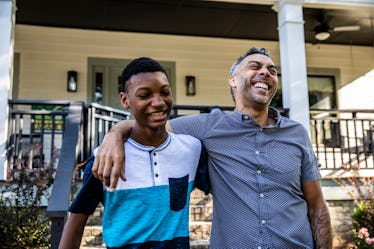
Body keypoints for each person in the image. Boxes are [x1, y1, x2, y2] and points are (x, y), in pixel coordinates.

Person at [92, 47, 333, 249]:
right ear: (232, 80)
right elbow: (151, 126)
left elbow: (317, 205)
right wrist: (116, 132)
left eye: (272, 71)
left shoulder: (297, 133)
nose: (265, 73)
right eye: (255, 66)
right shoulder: (208, 127)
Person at [58, 57, 203, 249]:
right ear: (125, 100)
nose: (158, 102)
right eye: (144, 95)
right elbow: (75, 225)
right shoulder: (104, 158)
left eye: (165, 92)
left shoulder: (192, 150)